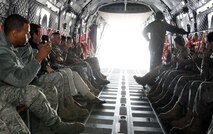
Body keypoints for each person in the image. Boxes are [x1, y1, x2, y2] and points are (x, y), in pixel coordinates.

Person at [0, 14, 84, 133]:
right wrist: (38, 58)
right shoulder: (3, 52)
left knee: (50, 89)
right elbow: (20, 80)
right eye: (26, 33)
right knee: (32, 93)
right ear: (14, 33)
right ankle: (56, 126)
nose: (28, 36)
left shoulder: (15, 45)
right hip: (4, 88)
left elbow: (22, 68)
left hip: (13, 84)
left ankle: (47, 128)